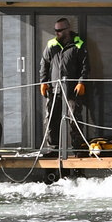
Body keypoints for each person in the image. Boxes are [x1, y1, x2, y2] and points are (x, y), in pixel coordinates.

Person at [38, 17, 91, 152]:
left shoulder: (78, 44)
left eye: (60, 30)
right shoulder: (51, 45)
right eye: (55, 30)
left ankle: (77, 149)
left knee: (75, 120)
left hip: (72, 90)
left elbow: (85, 66)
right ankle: (53, 149)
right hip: (55, 90)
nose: (57, 33)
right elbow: (44, 64)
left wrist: (81, 82)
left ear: (68, 29)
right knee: (50, 119)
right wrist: (43, 82)